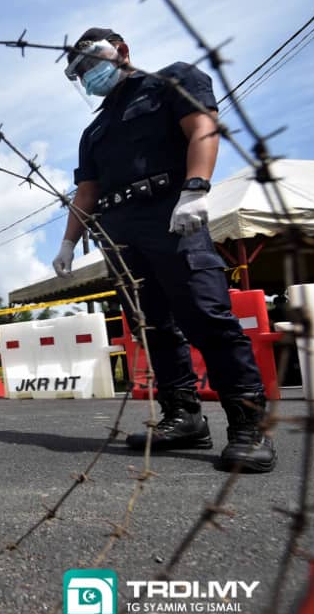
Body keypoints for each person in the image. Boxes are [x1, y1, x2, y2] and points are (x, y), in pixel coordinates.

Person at [53, 27, 275, 472]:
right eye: (80, 72)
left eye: (93, 61)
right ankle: (184, 416)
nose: (89, 74)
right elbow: (87, 190)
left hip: (171, 215)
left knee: (206, 313)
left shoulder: (172, 81)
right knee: (150, 325)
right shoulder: (95, 128)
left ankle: (248, 427)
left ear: (122, 51)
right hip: (119, 232)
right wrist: (68, 240)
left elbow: (202, 128)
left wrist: (195, 188)